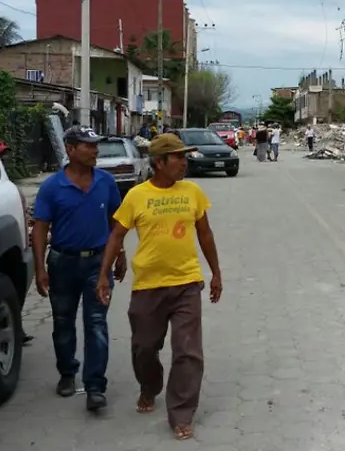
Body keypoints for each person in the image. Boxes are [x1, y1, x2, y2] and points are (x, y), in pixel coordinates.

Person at [97, 134, 222, 441]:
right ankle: (150, 386)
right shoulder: (136, 196)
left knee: (188, 352)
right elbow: (116, 236)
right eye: (178, 157)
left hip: (186, 283)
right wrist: (103, 275)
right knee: (144, 348)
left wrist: (216, 273)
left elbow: (205, 234)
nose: (184, 163)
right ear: (159, 163)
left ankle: (181, 412)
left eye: (184, 157)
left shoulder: (192, 192)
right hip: (148, 286)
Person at [32, 126, 127, 411]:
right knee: (63, 323)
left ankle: (95, 386)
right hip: (63, 263)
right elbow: (40, 229)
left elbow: (115, 222)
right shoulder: (52, 187)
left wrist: (120, 253)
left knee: (96, 323)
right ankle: (67, 372)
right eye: (89, 145)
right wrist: (39, 268)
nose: (95, 151)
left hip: (98, 263)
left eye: (96, 145)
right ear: (71, 149)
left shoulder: (106, 182)